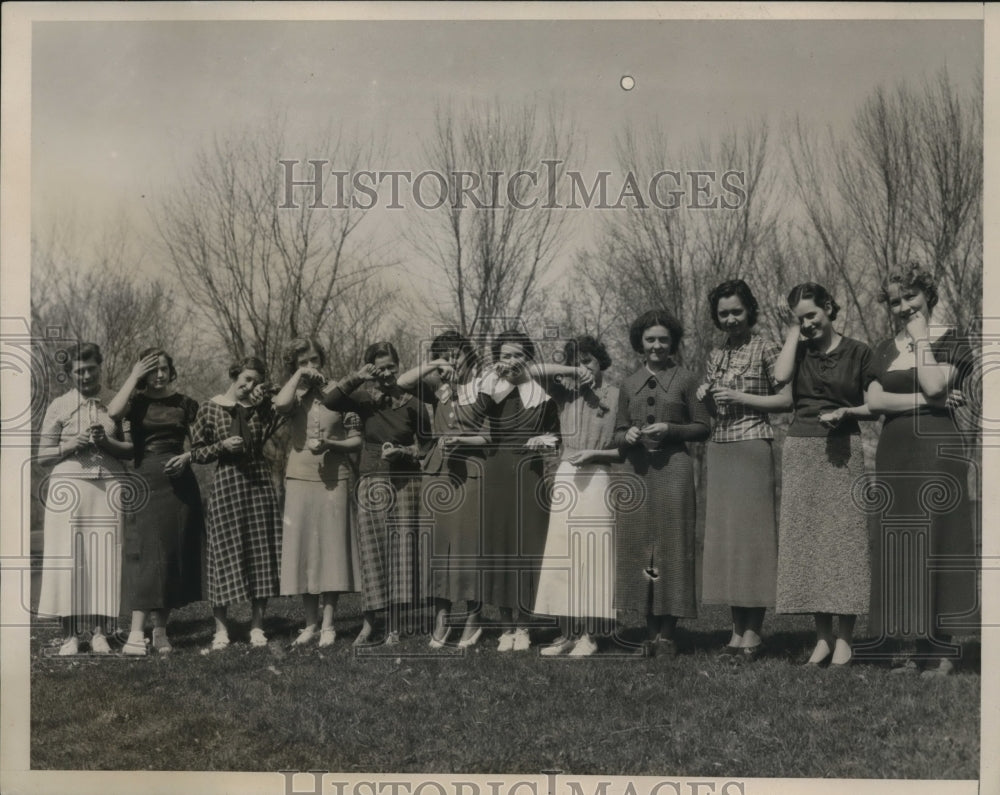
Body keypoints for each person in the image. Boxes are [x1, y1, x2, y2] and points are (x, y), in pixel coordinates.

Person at [860, 265, 978, 676]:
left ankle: (943, 648)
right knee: (904, 547)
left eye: (911, 296)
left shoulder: (952, 340)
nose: (904, 306)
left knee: (939, 542)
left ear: (928, 294)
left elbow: (933, 382)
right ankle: (915, 647)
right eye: (895, 300)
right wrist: (929, 403)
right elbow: (876, 404)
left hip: (935, 450)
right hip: (895, 453)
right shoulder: (883, 349)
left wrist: (922, 338)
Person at [773, 283, 875, 667]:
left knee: (844, 544)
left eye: (812, 315)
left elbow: (874, 403)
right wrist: (792, 336)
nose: (808, 324)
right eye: (800, 318)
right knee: (811, 543)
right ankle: (822, 640)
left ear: (830, 309)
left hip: (843, 449)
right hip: (801, 448)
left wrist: (847, 412)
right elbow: (782, 379)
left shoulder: (859, 351)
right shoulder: (798, 349)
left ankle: (845, 640)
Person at [697, 280, 792, 661]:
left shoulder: (767, 346)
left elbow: (787, 399)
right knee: (729, 544)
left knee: (753, 542)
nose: (731, 319)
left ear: (749, 310)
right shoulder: (717, 352)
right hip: (719, 448)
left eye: (737, 311)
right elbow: (714, 411)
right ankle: (736, 632)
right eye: (723, 314)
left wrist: (738, 396)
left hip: (753, 446)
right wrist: (705, 396)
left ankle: (754, 632)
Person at [322, 342, 432, 645]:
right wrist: (358, 376)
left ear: (398, 365)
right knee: (372, 553)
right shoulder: (362, 399)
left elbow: (427, 446)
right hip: (372, 480)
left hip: (406, 482)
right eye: (379, 368)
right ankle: (369, 624)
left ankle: (394, 626)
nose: (386, 373)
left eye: (390, 367)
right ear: (371, 368)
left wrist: (405, 451)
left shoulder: (413, 403)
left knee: (400, 553)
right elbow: (331, 400)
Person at [614, 311, 711, 658]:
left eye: (663, 340)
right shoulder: (628, 384)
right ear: (640, 342)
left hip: (674, 470)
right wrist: (627, 434)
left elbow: (703, 427)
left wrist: (672, 430)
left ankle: (668, 633)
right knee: (642, 549)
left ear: (673, 344)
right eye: (650, 339)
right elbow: (616, 433)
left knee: (671, 548)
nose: (657, 346)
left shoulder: (685, 380)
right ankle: (649, 632)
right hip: (637, 472)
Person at [37, 342, 133, 655]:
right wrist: (71, 445)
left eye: (91, 368)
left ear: (100, 367)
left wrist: (106, 441)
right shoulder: (59, 405)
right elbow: (41, 456)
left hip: (108, 486)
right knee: (69, 558)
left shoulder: (117, 402)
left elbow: (132, 449)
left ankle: (101, 633)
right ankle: (69, 636)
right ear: (70, 374)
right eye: (79, 371)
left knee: (105, 557)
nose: (86, 375)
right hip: (69, 488)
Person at [106, 348, 204, 655]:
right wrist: (134, 376)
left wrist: (188, 458)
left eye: (163, 368)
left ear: (171, 370)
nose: (159, 375)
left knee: (172, 555)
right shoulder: (136, 402)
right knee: (149, 555)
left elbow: (200, 444)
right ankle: (136, 634)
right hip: (146, 479)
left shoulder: (186, 404)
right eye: (153, 369)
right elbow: (112, 413)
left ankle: (161, 632)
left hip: (180, 482)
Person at [396, 331, 490, 648]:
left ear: (469, 356)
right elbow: (402, 383)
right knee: (440, 551)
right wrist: (434, 364)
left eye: (457, 354)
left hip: (471, 474)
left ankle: (473, 620)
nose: (452, 361)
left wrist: (461, 439)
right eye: (445, 355)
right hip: (438, 474)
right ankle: (442, 618)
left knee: (467, 552)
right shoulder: (437, 389)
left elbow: (490, 438)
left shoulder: (481, 389)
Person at [533, 336, 621, 657]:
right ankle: (567, 633)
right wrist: (570, 368)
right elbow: (534, 370)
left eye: (589, 361)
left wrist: (597, 453)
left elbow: (624, 445)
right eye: (577, 361)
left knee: (593, 557)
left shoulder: (616, 395)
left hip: (597, 475)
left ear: (601, 363)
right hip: (567, 476)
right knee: (563, 554)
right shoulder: (565, 392)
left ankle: (591, 635)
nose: (583, 367)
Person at [273, 339, 362, 649]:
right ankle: (309, 623)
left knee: (332, 549)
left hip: (335, 478)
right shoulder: (294, 393)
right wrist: (298, 377)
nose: (311, 367)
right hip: (299, 476)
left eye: (314, 360)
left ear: (323, 359)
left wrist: (332, 446)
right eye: (302, 362)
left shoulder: (339, 392)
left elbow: (356, 439)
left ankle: (328, 624)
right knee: (303, 550)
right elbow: (280, 406)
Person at [190, 356, 282, 651]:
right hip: (227, 482)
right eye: (246, 378)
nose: (249, 384)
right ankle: (221, 630)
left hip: (258, 483)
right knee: (223, 553)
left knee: (261, 552)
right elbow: (197, 452)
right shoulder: (210, 407)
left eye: (255, 380)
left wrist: (267, 394)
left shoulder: (260, 409)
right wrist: (222, 446)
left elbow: (284, 403)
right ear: (235, 375)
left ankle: (257, 626)